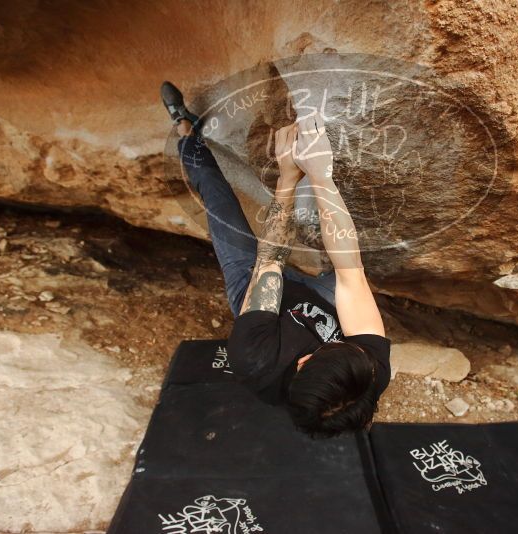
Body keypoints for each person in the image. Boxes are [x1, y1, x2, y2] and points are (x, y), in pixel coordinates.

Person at [161, 81, 390, 438]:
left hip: (259, 301)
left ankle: (185, 131)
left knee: (219, 203)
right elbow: (351, 274)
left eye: (311, 358)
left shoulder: (254, 359)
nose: (307, 353)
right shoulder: (370, 370)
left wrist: (287, 178)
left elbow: (269, 262)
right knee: (352, 253)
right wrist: (320, 176)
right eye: (332, 345)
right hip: (321, 300)